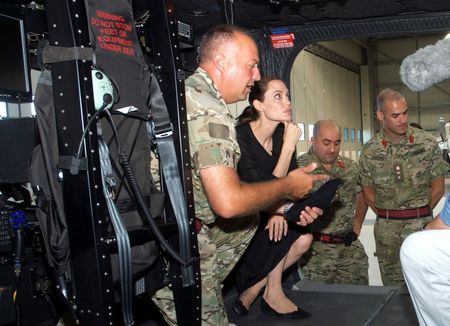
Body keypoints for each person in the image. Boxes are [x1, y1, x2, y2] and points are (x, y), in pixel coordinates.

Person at [151, 24, 327, 326]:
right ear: (221, 62)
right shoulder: (206, 108)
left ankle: (210, 287)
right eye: (251, 65)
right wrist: (287, 186)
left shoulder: (192, 94)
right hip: (173, 236)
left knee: (249, 221)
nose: (256, 75)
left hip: (178, 227)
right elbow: (229, 202)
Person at [233, 76, 313, 319]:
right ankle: (273, 293)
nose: (287, 101)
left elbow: (292, 184)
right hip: (243, 219)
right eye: (278, 96)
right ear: (259, 105)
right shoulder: (241, 138)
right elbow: (262, 190)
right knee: (284, 228)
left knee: (305, 238)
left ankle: (257, 289)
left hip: (270, 211)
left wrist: (284, 209)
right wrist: (288, 146)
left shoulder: (280, 135)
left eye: (287, 95)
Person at [359, 88, 448, 286]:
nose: (403, 120)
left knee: (426, 285)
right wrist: (390, 214)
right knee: (392, 289)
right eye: (396, 115)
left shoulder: (426, 143)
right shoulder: (370, 150)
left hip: (422, 226)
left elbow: (438, 187)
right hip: (386, 232)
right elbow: (368, 192)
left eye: (405, 113)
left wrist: (419, 213)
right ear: (380, 115)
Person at [298, 120, 369, 285]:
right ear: (313, 140)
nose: (332, 149)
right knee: (318, 303)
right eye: (326, 143)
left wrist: (357, 224)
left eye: (337, 143)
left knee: (360, 300)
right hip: (315, 252)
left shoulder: (349, 167)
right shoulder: (299, 168)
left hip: (348, 247)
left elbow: (361, 194)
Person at [400, 195, 450, 326]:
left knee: (418, 248)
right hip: (388, 222)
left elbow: (438, 189)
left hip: (419, 218)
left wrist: (423, 214)